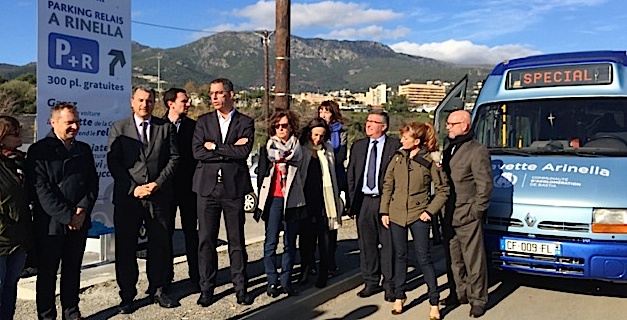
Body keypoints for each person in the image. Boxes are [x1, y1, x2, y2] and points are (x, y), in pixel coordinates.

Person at [107, 85, 180, 313]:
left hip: (157, 197)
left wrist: (157, 183)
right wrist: (133, 188)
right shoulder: (119, 128)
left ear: (154, 102)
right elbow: (113, 163)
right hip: (129, 198)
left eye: (149, 100)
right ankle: (127, 295)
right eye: (140, 100)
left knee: (159, 245)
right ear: (132, 101)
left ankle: (157, 289)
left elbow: (174, 158)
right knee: (126, 248)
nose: (144, 104)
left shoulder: (165, 128)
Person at [28, 104, 99, 320]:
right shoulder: (39, 151)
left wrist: (82, 210)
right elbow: (41, 190)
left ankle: (71, 311)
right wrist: (68, 215)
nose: (75, 126)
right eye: (69, 122)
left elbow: (92, 184)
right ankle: (47, 315)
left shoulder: (83, 149)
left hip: (79, 221)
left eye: (77, 122)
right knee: (48, 273)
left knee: (72, 270)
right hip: (50, 225)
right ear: (54, 122)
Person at [192, 78, 255, 307]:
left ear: (230, 95)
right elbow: (198, 152)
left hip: (233, 189)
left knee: (236, 241)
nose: (214, 98)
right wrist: (228, 150)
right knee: (206, 240)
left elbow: (244, 151)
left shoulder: (245, 122)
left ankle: (240, 288)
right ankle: (207, 288)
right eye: (211, 94)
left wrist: (215, 147)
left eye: (219, 93)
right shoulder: (203, 122)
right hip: (206, 189)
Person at [380, 121, 449, 319]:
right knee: (400, 256)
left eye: (405, 137)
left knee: (424, 258)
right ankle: (399, 296)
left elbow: (443, 190)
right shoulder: (398, 158)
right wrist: (384, 211)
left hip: (419, 214)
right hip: (396, 214)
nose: (401, 140)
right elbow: (388, 184)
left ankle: (434, 301)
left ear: (416, 141)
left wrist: (430, 211)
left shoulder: (429, 160)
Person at [441, 110, 493, 318]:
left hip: (467, 213)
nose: (448, 127)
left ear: (465, 125)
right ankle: (458, 292)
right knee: (453, 258)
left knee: (474, 260)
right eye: (447, 124)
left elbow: (485, 185)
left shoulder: (477, 150)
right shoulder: (449, 147)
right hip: (448, 212)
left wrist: (476, 211)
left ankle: (478, 299)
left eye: (452, 124)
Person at [346, 109, 400, 302]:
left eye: (373, 122)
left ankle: (390, 284)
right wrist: (352, 203)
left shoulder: (395, 146)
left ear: (383, 127)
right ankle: (370, 281)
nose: (367, 124)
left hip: (386, 202)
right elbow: (351, 174)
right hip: (364, 201)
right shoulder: (359, 146)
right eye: (367, 121)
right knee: (366, 244)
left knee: (388, 244)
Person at [256, 110, 304, 297]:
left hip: (292, 200)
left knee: (290, 243)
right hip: (273, 200)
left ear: (291, 126)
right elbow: (262, 175)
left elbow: (304, 175)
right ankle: (271, 281)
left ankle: (286, 281)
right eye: (277, 126)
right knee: (270, 243)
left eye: (284, 125)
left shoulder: (299, 150)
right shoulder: (267, 149)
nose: (281, 129)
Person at [298, 118, 343, 289]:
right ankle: (306, 270)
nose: (318, 139)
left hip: (325, 200)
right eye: (315, 134)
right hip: (305, 200)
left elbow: (332, 175)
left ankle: (324, 272)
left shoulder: (328, 150)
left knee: (324, 240)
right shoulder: (301, 149)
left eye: (322, 135)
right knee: (305, 240)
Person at [162, 88, 200, 290]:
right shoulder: (158, 126)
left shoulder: (194, 127)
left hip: (189, 189)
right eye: (184, 101)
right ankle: (166, 279)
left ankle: (196, 277)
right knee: (165, 235)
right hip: (165, 190)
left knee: (191, 234)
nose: (188, 104)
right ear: (171, 104)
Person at [0, 116, 33, 320]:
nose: (19, 135)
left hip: (19, 238)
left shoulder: (20, 161)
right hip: (1, 237)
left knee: (11, 286)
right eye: (14, 132)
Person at [317, 100, 347, 274]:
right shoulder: (313, 131)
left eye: (326, 112)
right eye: (321, 111)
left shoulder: (340, 132)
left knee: (332, 221)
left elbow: (341, 155)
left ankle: (330, 259)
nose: (323, 115)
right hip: (317, 180)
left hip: (334, 178)